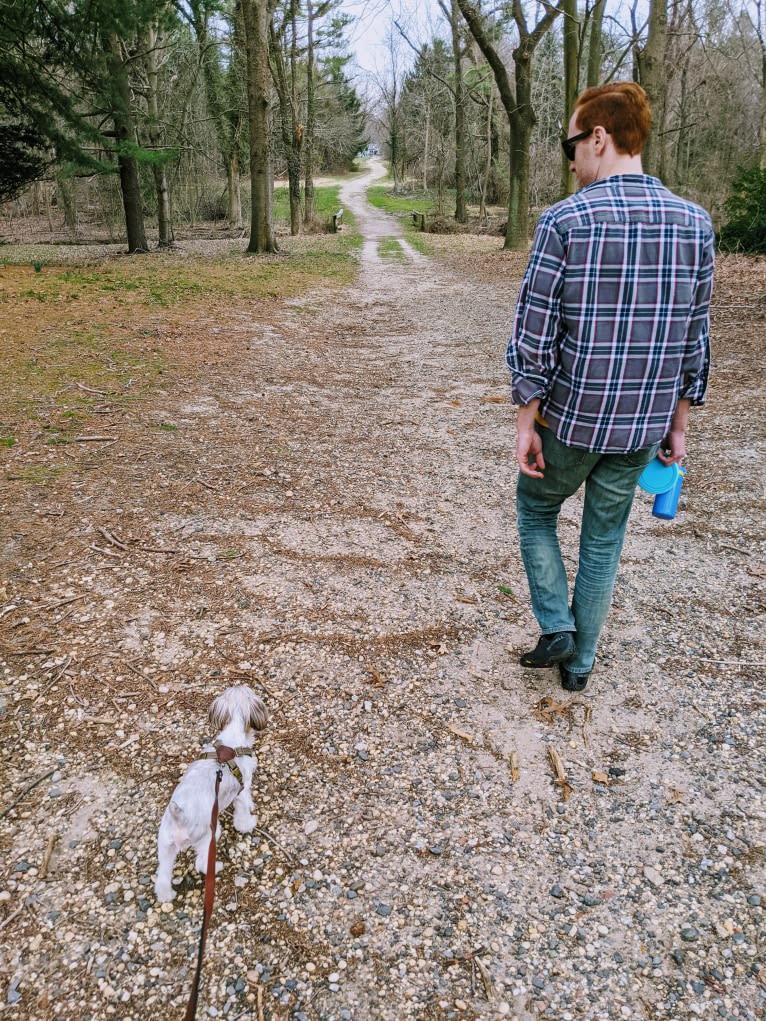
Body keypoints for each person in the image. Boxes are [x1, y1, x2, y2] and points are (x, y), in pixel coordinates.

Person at [505, 82, 714, 692]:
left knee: (536, 508)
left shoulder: (565, 221)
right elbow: (693, 340)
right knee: (604, 537)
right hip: (643, 423)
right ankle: (581, 665)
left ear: (600, 137)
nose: (570, 159)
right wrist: (679, 422)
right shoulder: (695, 225)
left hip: (571, 416)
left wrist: (526, 418)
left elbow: (535, 329)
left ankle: (556, 625)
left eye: (572, 143)